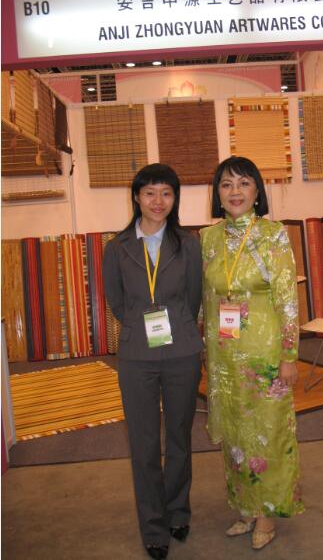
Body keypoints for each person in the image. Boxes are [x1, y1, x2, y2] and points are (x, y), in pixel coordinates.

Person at [200, 156, 305, 551]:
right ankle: (245, 506)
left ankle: (267, 514)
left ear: (257, 191)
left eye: (243, 183)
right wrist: (203, 349)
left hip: (264, 358)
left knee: (268, 434)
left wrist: (289, 355)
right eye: (226, 184)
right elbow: (206, 299)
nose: (235, 192)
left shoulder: (273, 235)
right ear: (217, 193)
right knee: (235, 436)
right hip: (225, 358)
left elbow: (287, 299)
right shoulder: (208, 239)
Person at [103, 163, 203, 560]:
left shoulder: (188, 244)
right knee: (143, 444)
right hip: (137, 357)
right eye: (149, 193)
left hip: (182, 352)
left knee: (179, 438)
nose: (158, 201)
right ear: (136, 197)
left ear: (175, 198)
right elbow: (116, 301)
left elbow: (193, 297)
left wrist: (176, 325)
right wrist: (142, 327)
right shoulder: (117, 247)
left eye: (166, 193)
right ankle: (154, 527)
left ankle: (178, 512)